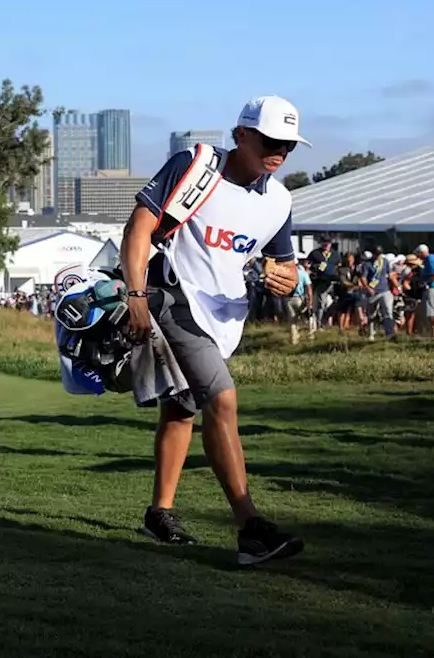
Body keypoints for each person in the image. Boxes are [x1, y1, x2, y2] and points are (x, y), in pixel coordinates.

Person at [120, 95, 306, 566]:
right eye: (270, 141)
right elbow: (139, 227)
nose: (279, 152)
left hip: (223, 316)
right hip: (173, 297)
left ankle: (159, 512)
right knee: (221, 399)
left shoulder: (279, 200)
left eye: (288, 145)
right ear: (241, 135)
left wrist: (287, 277)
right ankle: (251, 529)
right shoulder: (196, 164)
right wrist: (136, 296)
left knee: (182, 409)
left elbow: (284, 267)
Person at [283, 260, 314, 345]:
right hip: (300, 299)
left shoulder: (286, 274)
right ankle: (310, 337)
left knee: (292, 321)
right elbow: (309, 288)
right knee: (308, 318)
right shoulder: (303, 273)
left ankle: (294, 341)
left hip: (289, 299)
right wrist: (310, 302)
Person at [416, 244, 434, 339]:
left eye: (419, 253)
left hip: (433, 289)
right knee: (430, 314)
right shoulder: (427, 260)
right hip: (430, 289)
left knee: (433, 314)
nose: (418, 256)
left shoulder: (430, 260)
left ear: (423, 252)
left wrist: (426, 282)